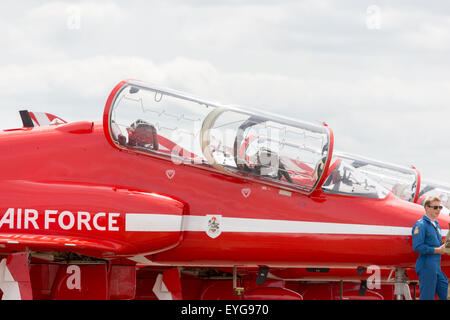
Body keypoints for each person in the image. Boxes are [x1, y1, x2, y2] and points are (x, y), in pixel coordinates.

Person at [412, 196, 448, 300]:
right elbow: (418, 246)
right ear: (427, 208)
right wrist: (438, 250)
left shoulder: (436, 224)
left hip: (436, 266)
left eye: (440, 207)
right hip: (426, 265)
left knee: (443, 287)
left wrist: (445, 249)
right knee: (427, 297)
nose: (438, 210)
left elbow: (437, 244)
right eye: (435, 207)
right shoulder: (421, 225)